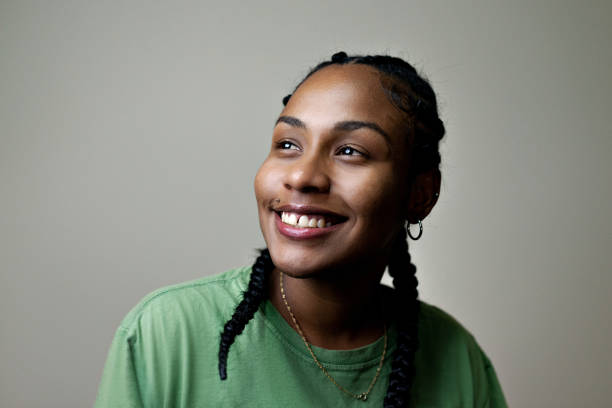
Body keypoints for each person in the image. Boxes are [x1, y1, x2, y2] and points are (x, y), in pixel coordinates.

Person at [95, 52, 508, 407]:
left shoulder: (458, 361)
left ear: (420, 194)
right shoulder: (164, 335)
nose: (303, 176)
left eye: (350, 151)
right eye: (288, 144)